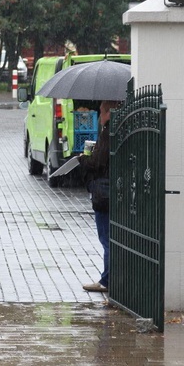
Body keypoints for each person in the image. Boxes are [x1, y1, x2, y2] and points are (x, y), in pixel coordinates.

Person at [79, 100, 120, 293]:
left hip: (104, 193)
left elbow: (98, 163)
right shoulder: (122, 128)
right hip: (118, 189)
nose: (100, 117)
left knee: (106, 238)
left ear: (107, 113)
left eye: (101, 112)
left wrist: (84, 158)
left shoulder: (108, 132)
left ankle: (107, 280)